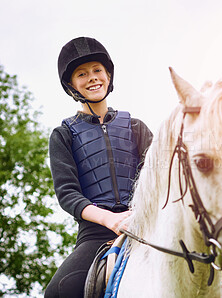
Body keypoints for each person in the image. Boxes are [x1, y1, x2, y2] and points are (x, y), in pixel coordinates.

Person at [45, 37, 153, 298]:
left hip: (146, 225)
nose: (92, 78)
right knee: (59, 291)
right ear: (71, 85)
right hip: (95, 233)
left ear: (108, 75)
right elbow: (68, 194)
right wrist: (111, 219)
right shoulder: (63, 135)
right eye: (82, 74)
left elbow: (162, 177)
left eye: (97, 70)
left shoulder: (136, 127)